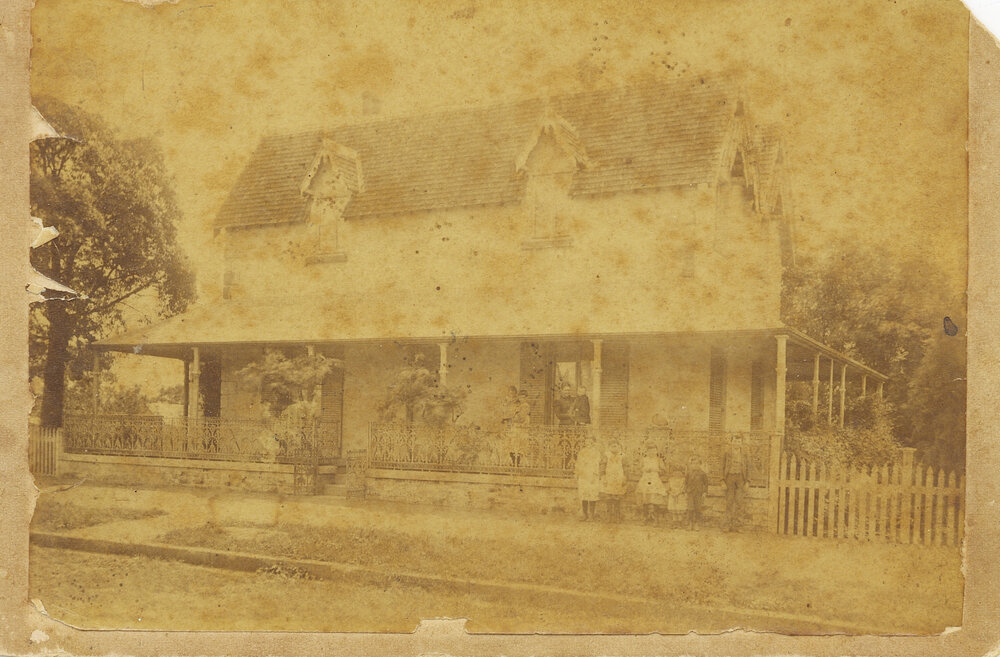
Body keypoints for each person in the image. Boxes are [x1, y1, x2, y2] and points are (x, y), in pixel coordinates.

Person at [721, 434, 751, 531]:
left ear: (741, 443)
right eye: (734, 441)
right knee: (729, 502)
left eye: (738, 441)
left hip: (740, 478)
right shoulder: (726, 453)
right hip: (729, 477)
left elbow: (748, 468)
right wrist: (722, 481)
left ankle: (739, 525)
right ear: (731, 442)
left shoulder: (745, 454)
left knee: (739, 502)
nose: (736, 443)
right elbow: (722, 467)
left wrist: (747, 482)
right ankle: (726, 525)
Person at [636, 441, 667, 523]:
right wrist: (644, 470)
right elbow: (638, 469)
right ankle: (645, 517)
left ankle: (655, 518)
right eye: (650, 451)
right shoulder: (644, 460)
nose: (652, 452)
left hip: (654, 479)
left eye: (654, 450)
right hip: (645, 479)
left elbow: (664, 471)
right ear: (646, 451)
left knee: (654, 499)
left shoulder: (658, 460)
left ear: (656, 451)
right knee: (645, 498)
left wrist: (656, 470)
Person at [575, 435, 602, 520]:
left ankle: (592, 515)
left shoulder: (596, 452)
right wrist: (577, 473)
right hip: (583, 475)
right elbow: (578, 463)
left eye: (590, 442)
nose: (588, 443)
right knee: (584, 495)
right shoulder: (582, 452)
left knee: (592, 494)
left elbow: (596, 464)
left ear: (593, 443)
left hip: (592, 475)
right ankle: (585, 514)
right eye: (586, 442)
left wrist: (595, 475)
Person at [601, 441, 627, 522]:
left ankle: (617, 516)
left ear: (619, 447)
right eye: (612, 446)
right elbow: (602, 466)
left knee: (617, 497)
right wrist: (603, 477)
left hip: (619, 478)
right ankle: (608, 516)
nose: (614, 448)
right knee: (609, 497)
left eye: (616, 446)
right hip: (609, 478)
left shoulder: (622, 455)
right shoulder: (606, 455)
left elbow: (626, 467)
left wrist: (625, 477)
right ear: (609, 447)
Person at [685, 455, 709, 530]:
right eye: (693, 463)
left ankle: (696, 524)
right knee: (690, 508)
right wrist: (686, 492)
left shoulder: (702, 473)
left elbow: (706, 484)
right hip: (690, 493)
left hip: (699, 493)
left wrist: (705, 492)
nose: (695, 465)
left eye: (697, 463)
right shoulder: (688, 473)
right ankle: (690, 523)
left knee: (697, 508)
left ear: (700, 464)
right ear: (691, 464)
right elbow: (686, 483)